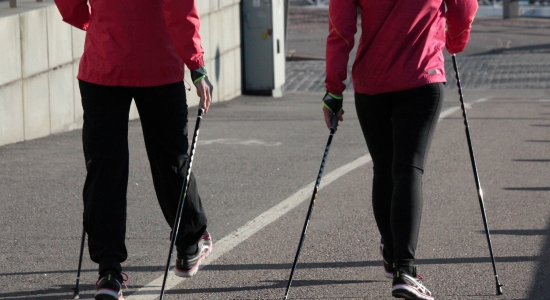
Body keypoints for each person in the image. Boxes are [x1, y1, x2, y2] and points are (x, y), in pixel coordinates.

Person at [53, 0, 214, 299]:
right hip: (158, 62)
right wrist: (196, 64)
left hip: (103, 61)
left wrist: (83, 17)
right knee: (171, 159)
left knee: (104, 170)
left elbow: (70, 5)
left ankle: (109, 271)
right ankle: (189, 242)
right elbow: (180, 7)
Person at [323, 0, 477, 299]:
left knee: (384, 170)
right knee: (408, 168)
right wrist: (454, 41)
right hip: (422, 76)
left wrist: (333, 88)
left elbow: (340, 28)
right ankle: (405, 270)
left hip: (372, 82)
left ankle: (394, 256)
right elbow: (464, 8)